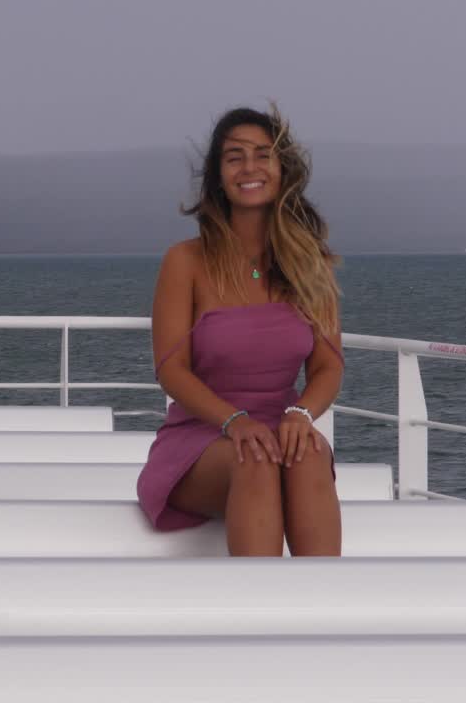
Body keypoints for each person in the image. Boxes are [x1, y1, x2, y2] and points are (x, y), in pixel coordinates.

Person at [137, 104, 345, 556]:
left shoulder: (310, 264)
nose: (249, 167)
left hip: (282, 428)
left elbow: (329, 365)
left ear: (281, 168)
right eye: (234, 157)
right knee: (255, 458)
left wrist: (302, 413)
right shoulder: (185, 261)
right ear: (218, 175)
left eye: (262, 154)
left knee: (309, 454)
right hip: (203, 437)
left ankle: (327, 613)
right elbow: (172, 368)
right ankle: (260, 620)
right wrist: (235, 421)